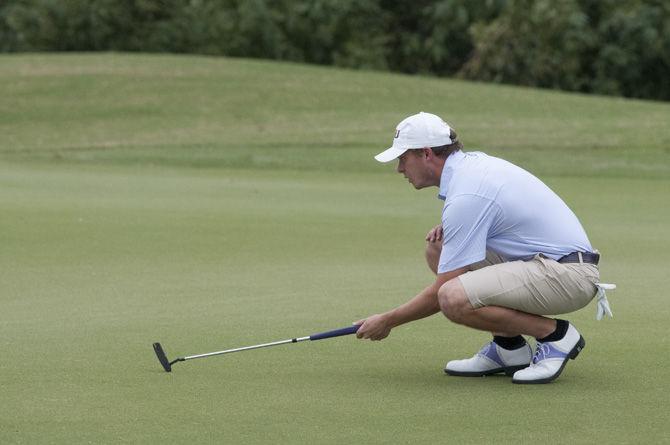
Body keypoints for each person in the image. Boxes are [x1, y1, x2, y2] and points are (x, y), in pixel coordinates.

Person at [355, 111, 613, 384]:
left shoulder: (468, 192)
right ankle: (509, 348)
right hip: (549, 265)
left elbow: (441, 292)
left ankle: (554, 335)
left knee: (452, 297)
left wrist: (388, 320)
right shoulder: (469, 168)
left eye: (403, 158)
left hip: (569, 276)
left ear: (427, 154)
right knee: (438, 248)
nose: (399, 169)